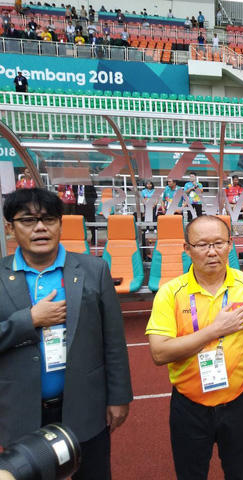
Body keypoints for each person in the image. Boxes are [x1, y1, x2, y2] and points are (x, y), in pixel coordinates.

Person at [0, 188, 132, 480]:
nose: (40, 228)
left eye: (49, 219)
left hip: (85, 406)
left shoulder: (93, 269)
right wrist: (29, 320)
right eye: (28, 220)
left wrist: (119, 397)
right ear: (10, 228)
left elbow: (113, 340)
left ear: (60, 224)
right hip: (21, 410)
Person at [147, 215, 243, 480]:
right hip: (189, 405)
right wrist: (215, 330)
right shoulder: (170, 293)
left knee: (239, 473)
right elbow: (159, 353)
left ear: (230, 245)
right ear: (187, 249)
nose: (212, 252)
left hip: (240, 401)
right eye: (202, 245)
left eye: (219, 243)